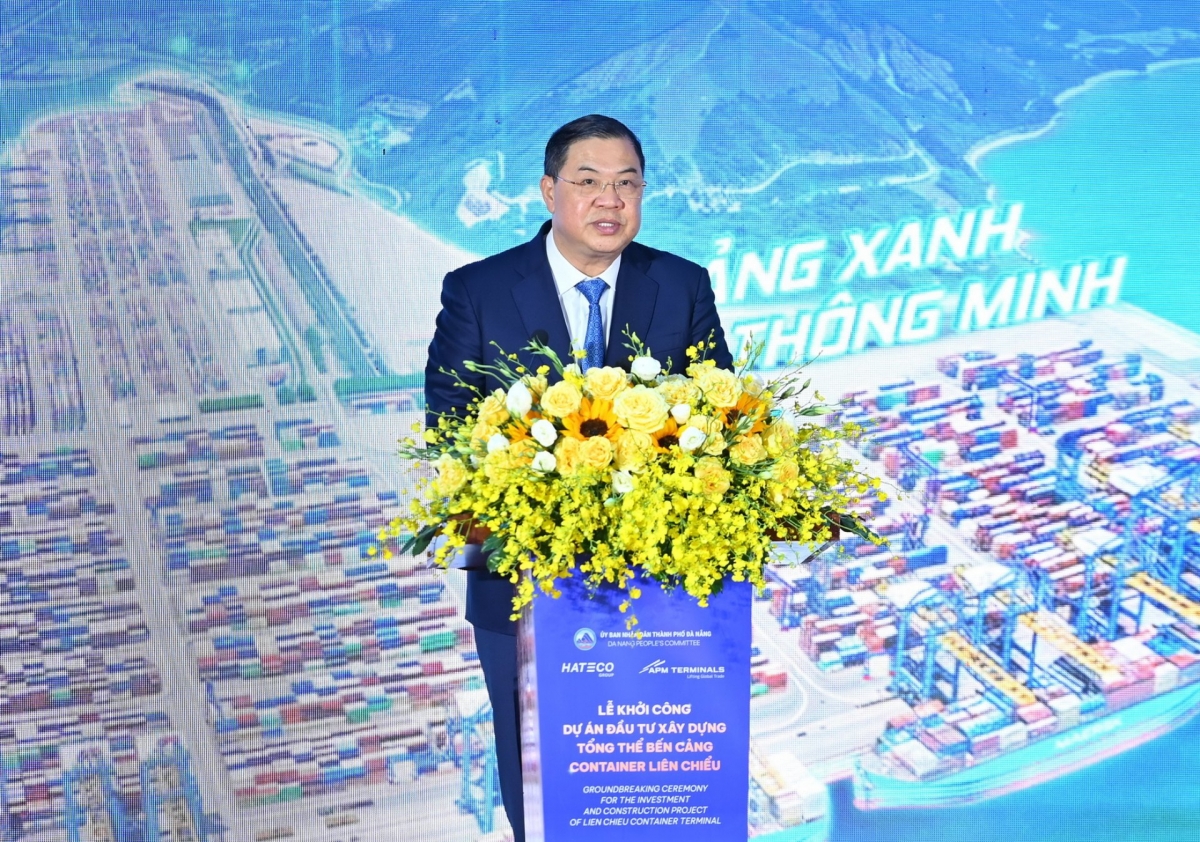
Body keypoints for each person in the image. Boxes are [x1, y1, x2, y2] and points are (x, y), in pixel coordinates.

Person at [424, 114, 732, 841]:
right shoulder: (479, 289)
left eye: (627, 184)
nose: (610, 202)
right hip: (523, 582)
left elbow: (720, 416)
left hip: (658, 591)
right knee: (540, 795)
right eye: (589, 183)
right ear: (548, 191)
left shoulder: (681, 284)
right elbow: (449, 425)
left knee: (653, 794)